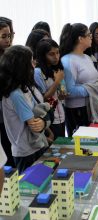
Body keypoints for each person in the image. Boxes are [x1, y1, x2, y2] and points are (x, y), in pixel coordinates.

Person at [0, 45, 49, 173]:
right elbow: (33, 124)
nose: (34, 64)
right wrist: (44, 120)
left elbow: (40, 112)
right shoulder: (15, 94)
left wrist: (44, 121)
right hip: (26, 151)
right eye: (31, 61)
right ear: (22, 67)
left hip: (34, 146)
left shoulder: (24, 88)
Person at [60, 23, 98, 136]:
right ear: (80, 39)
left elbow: (93, 80)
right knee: (81, 145)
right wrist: (94, 88)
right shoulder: (68, 60)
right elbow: (69, 91)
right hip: (76, 109)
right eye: (88, 35)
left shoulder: (87, 57)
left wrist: (96, 87)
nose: (91, 37)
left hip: (91, 106)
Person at [34, 38, 66, 139]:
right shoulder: (38, 72)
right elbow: (43, 98)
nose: (56, 57)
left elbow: (60, 96)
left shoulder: (56, 68)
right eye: (51, 54)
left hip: (61, 115)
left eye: (57, 53)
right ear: (43, 55)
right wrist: (57, 81)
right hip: (49, 118)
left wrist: (63, 93)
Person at [0, 21, 14, 167]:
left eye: (9, 35)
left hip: (11, 112)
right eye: (4, 36)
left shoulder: (10, 56)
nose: (8, 40)